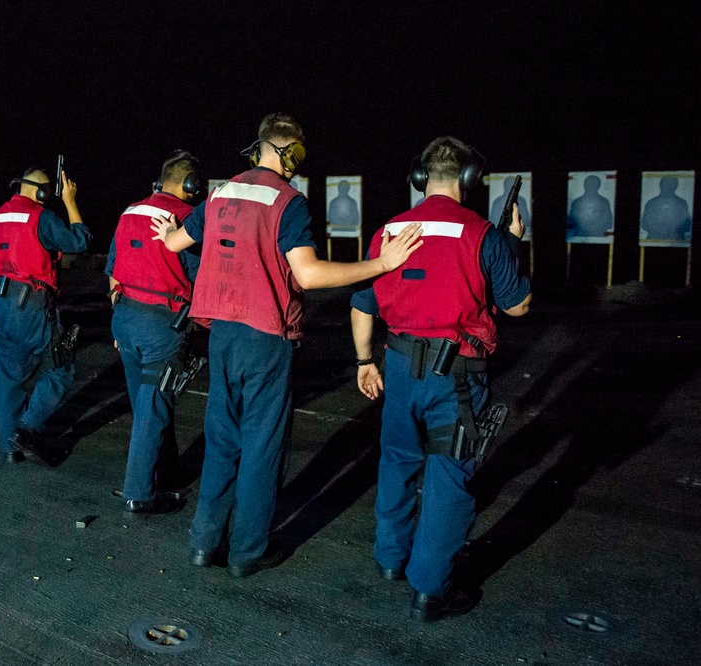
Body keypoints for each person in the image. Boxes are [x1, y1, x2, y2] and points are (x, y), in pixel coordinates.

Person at [151, 113, 424, 578]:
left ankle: (204, 541)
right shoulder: (288, 201)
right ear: (285, 152)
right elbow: (310, 275)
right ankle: (247, 552)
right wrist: (381, 263)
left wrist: (166, 233)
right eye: (297, 154)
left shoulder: (221, 192)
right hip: (265, 337)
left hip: (222, 335)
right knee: (262, 445)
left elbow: (175, 241)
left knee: (222, 439)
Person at [350, 136, 531, 622]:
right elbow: (517, 304)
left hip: (399, 367)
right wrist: (512, 243)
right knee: (449, 475)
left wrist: (365, 362)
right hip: (455, 377)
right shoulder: (481, 235)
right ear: (469, 180)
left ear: (419, 177)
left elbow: (362, 304)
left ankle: (391, 559)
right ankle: (430, 589)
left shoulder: (390, 230)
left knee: (397, 460)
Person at [106, 151, 202, 516]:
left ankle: (166, 471)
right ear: (190, 185)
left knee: (145, 403)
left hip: (125, 317)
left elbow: (112, 270)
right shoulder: (187, 218)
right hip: (162, 323)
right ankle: (140, 493)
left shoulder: (130, 211)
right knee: (154, 406)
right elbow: (197, 275)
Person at [0, 166, 89, 465]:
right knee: (61, 366)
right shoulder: (40, 217)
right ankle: (28, 428)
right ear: (40, 191)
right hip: (30, 302)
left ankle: (10, 448)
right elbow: (80, 240)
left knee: (8, 376)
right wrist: (69, 201)